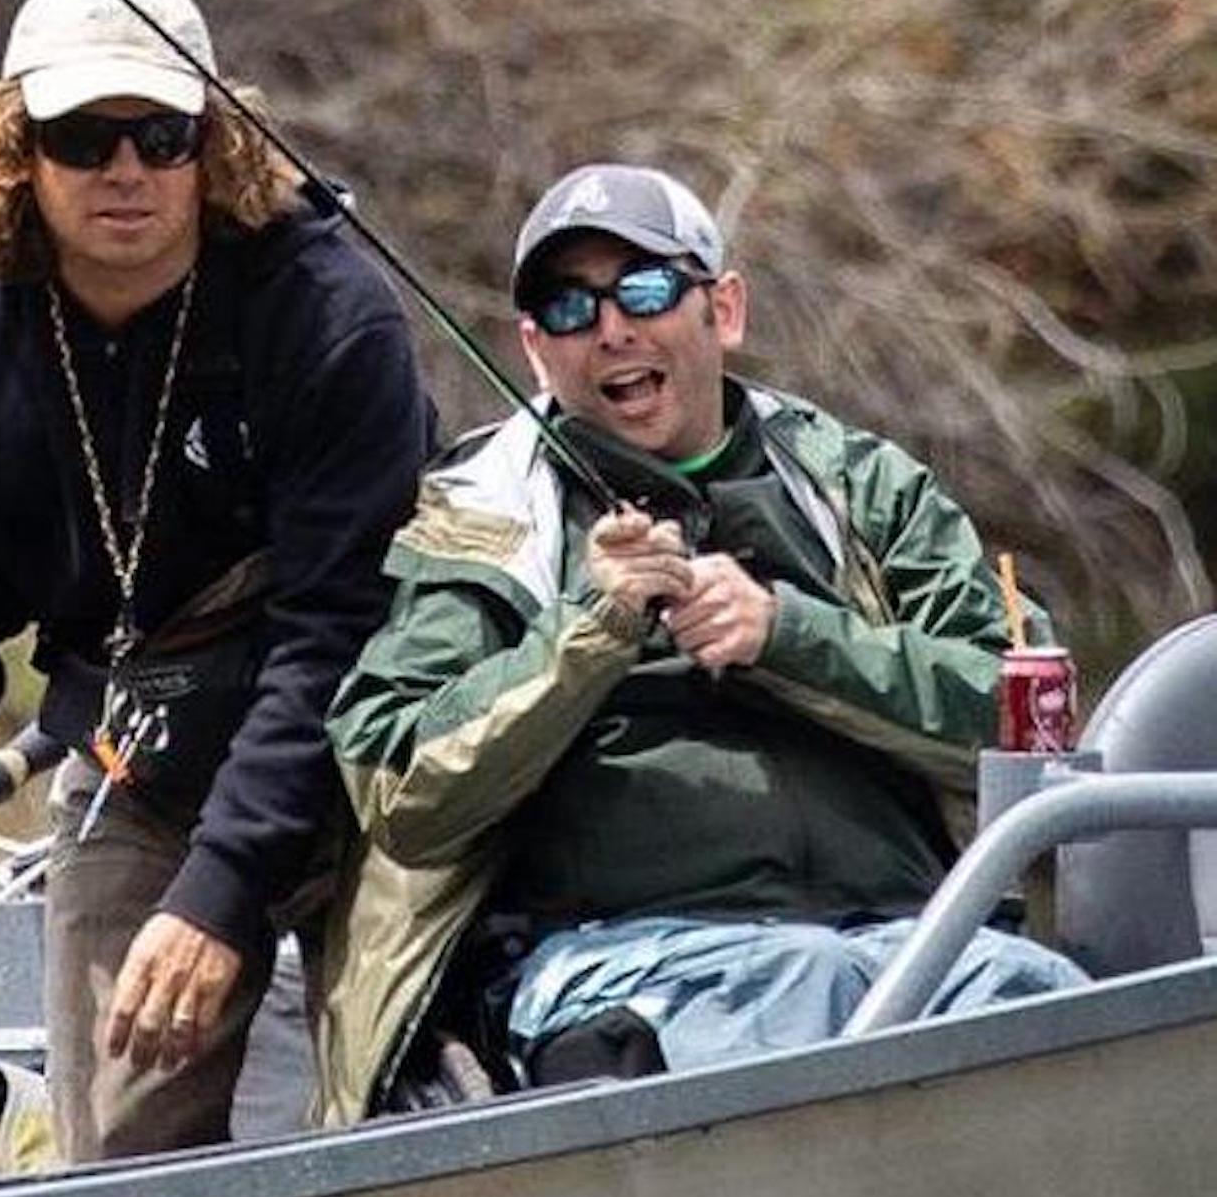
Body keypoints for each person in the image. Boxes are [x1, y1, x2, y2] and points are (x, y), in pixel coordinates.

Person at [316, 160, 1084, 1123]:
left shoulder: (859, 484)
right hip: (628, 959)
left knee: (1052, 1003)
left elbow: (1029, 723)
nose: (611, 329)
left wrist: (789, 634)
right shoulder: (486, 515)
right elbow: (398, 785)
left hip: (918, 932)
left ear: (724, 310)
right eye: (569, 308)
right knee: (796, 991)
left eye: (644, 289)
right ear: (534, 349)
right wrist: (589, 632)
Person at [0, 0, 430, 1162]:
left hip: (367, 759)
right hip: (138, 771)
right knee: (116, 1144)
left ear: (213, 145)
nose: (125, 170)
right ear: (16, 153)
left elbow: (338, 634)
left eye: (161, 136)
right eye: (81, 137)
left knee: (400, 1098)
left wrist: (220, 894)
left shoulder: (329, 320)